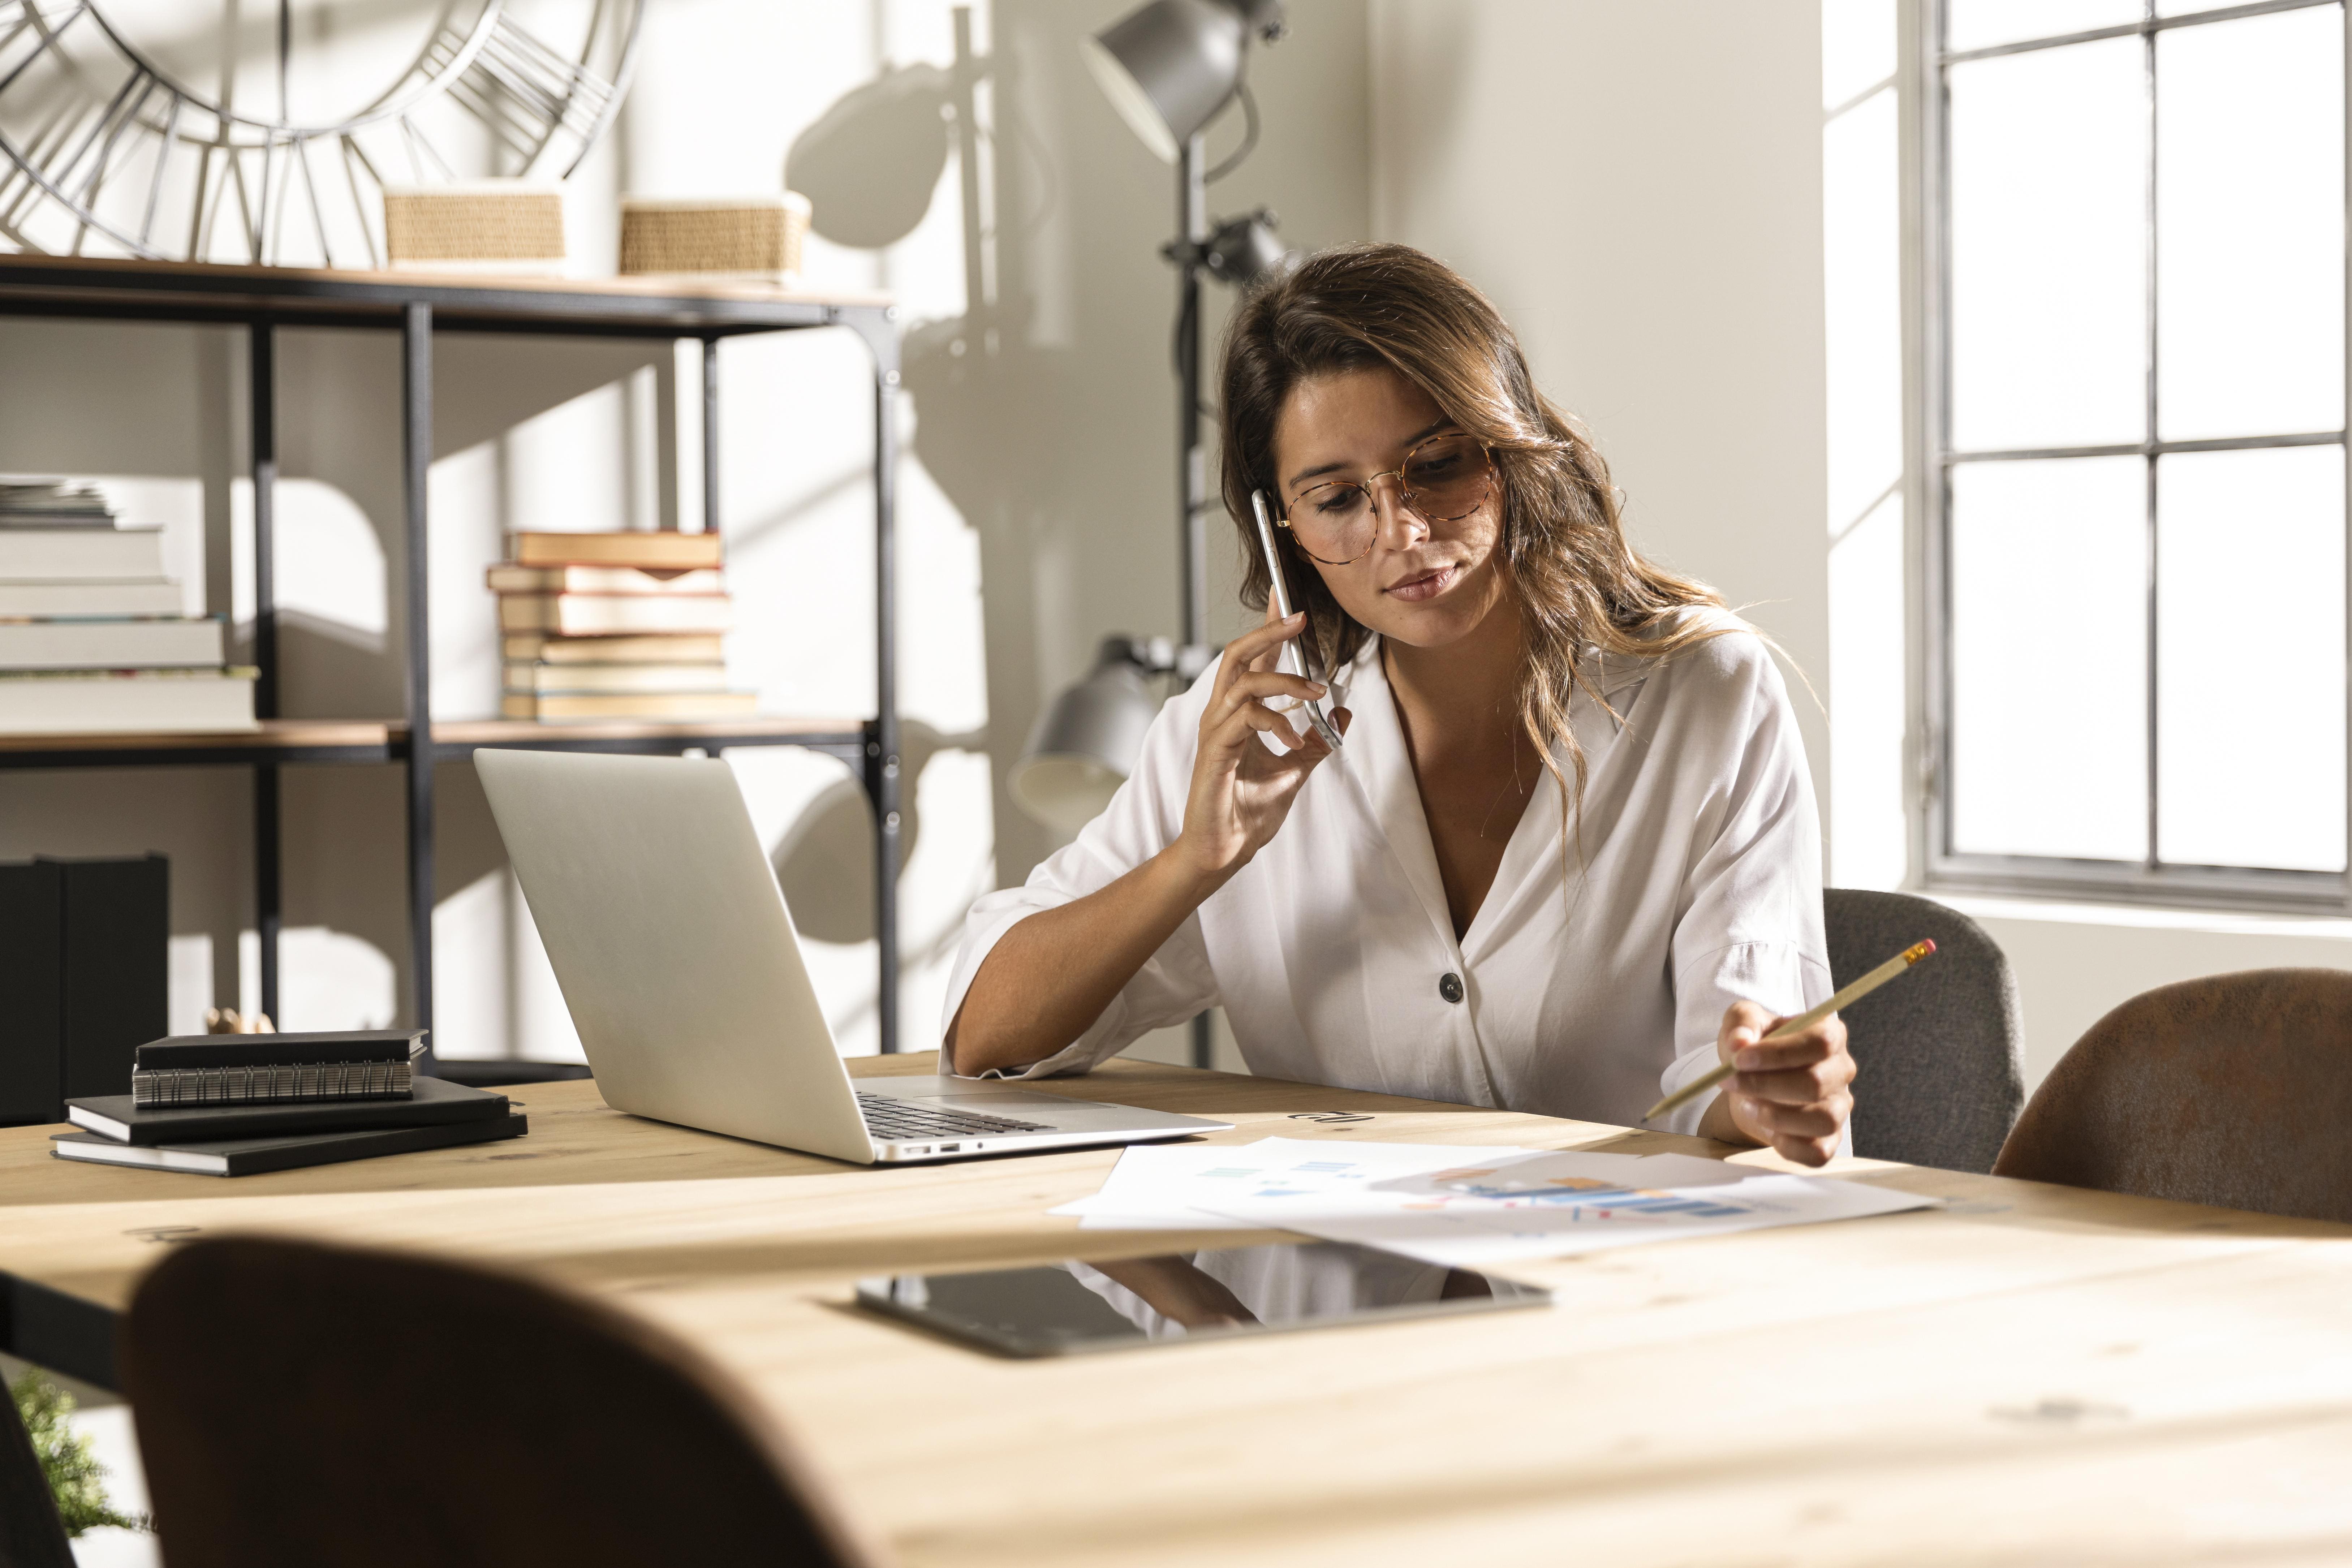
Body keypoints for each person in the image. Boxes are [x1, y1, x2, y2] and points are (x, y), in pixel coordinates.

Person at [941, 243, 1852, 1165]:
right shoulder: (1245, 734)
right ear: (1283, 528)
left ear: (1509, 447)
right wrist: (1195, 862)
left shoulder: (1702, 694)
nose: (1403, 532)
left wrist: (1769, 1094)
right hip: (1334, 1290)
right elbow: (985, 1040)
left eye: (1440, 464)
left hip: (1621, 1278)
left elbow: (1736, 1079)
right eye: (1337, 498)